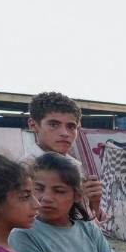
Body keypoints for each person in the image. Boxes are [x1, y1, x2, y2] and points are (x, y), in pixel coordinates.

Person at [24, 91, 103, 221]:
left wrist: (94, 203)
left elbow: (89, 219)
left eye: (71, 126)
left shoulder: (75, 166)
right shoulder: (25, 169)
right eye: (54, 125)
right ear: (33, 125)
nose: (64, 133)